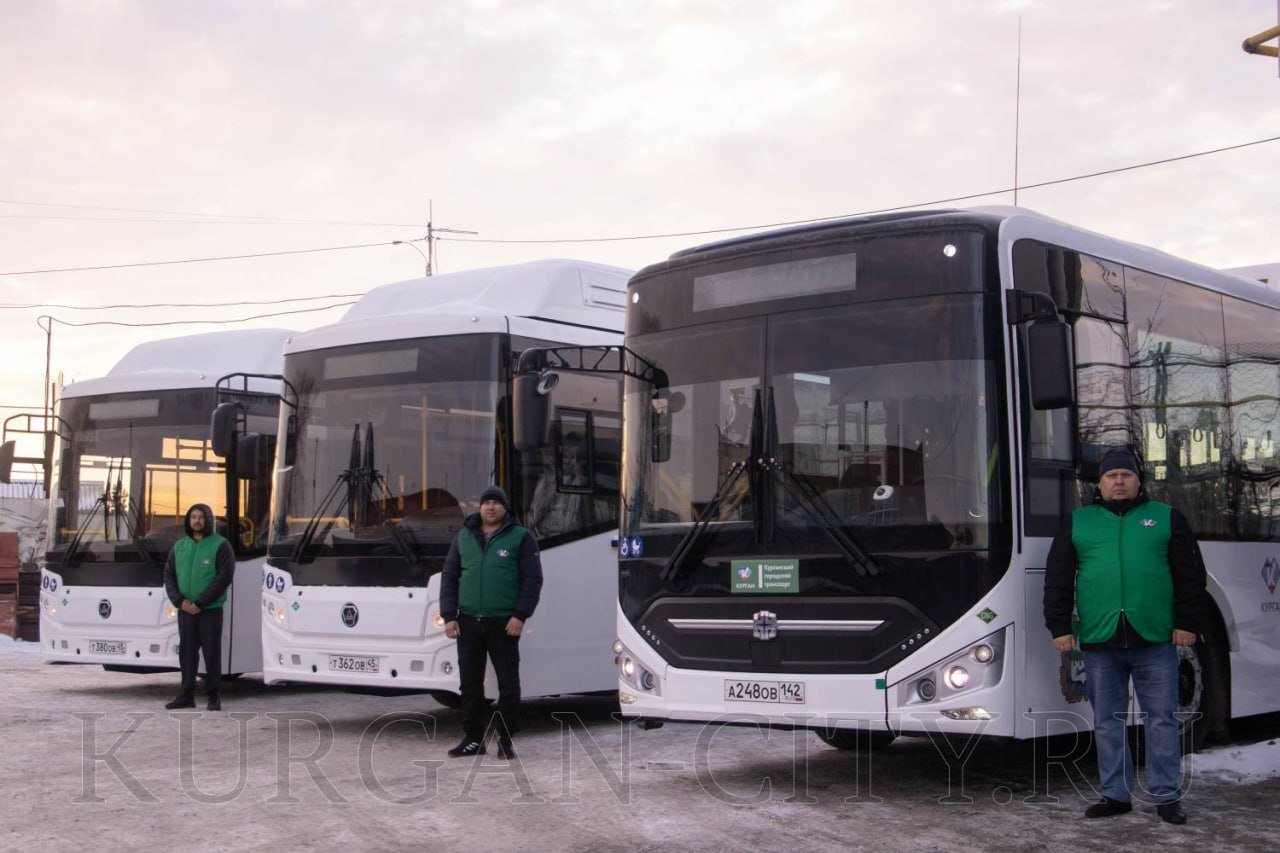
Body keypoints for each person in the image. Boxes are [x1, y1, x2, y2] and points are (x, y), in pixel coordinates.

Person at [1044, 448, 1207, 825]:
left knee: (1162, 719)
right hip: (1100, 642)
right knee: (1107, 721)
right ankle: (1115, 794)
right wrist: (1060, 626)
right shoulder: (1077, 523)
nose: (1119, 481)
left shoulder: (1167, 519)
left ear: (1138, 481)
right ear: (1098, 485)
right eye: (1111, 476)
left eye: (1126, 475)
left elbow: (1190, 578)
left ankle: (1167, 796)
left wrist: (1188, 623)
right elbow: (1057, 580)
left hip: (1155, 640)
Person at [440, 485, 543, 759]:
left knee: (508, 684)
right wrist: (450, 616)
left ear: (504, 508)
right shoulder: (463, 537)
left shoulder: (521, 538)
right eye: (486, 502)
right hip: (468, 623)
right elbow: (449, 577)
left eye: (496, 503)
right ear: (479, 507)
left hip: (504, 624)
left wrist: (520, 615)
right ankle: (474, 739)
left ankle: (506, 740)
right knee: (470, 685)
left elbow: (531, 581)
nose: (490, 507)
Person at [162, 503, 235, 711]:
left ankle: (213, 696)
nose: (197, 521)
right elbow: (168, 577)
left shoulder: (221, 545)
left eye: (201, 517)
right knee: (187, 652)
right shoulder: (179, 547)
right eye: (193, 517)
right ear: (188, 520)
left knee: (211, 652)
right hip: (185, 610)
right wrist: (180, 602)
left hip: (210, 610)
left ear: (208, 520)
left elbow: (224, 577)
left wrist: (201, 603)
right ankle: (186, 694)